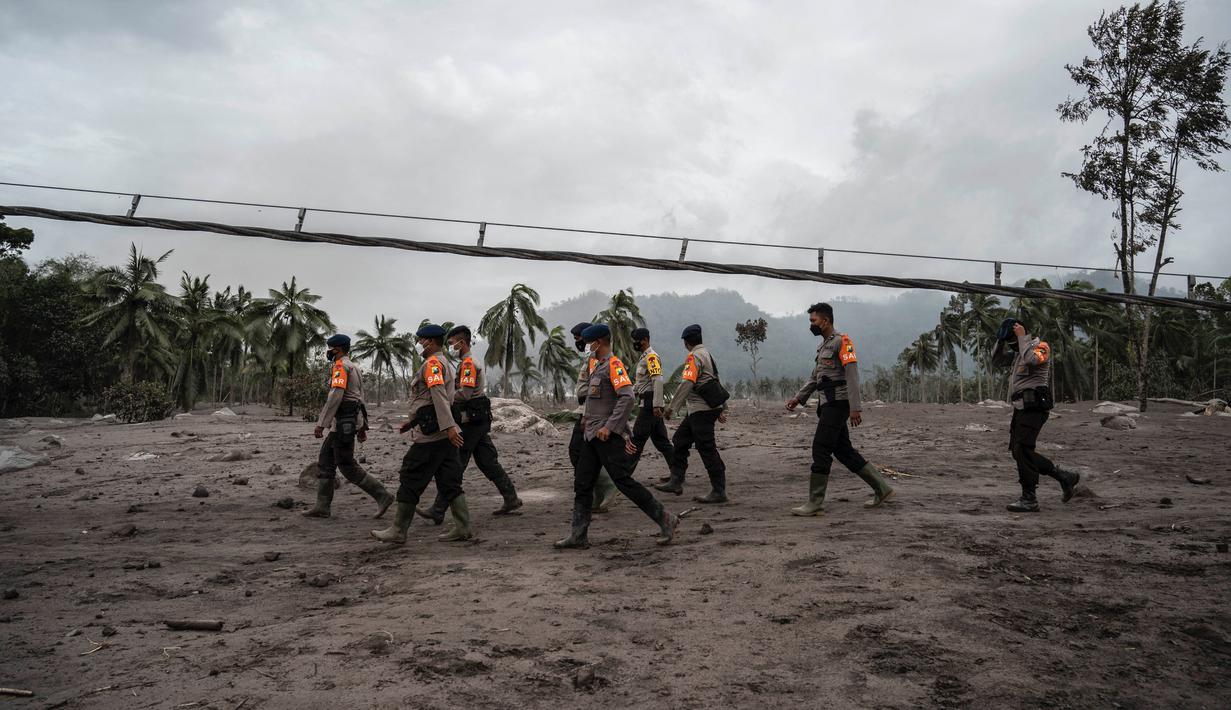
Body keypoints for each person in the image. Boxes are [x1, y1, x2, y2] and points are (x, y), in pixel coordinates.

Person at [554, 324, 678, 549]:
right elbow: (595, 399)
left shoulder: (614, 365)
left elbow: (627, 397)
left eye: (589, 342)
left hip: (606, 437)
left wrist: (610, 427)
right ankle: (578, 535)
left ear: (598, 343)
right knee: (582, 484)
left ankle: (665, 518)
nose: (587, 347)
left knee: (623, 481)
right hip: (591, 435)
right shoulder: (598, 366)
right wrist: (586, 420)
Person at [785, 303, 893, 515]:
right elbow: (815, 377)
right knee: (843, 451)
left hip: (839, 403)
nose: (811, 325)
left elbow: (852, 375)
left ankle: (815, 502)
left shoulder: (843, 342)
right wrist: (799, 398)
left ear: (825, 320)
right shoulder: (823, 346)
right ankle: (882, 488)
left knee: (821, 448)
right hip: (827, 403)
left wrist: (855, 408)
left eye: (813, 321)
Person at [416, 325, 523, 539]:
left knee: (456, 463)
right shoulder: (467, 363)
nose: (450, 346)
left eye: (452, 342)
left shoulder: (467, 365)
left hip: (471, 420)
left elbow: (464, 394)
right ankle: (511, 498)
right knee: (487, 461)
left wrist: (444, 397)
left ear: (462, 343)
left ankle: (438, 510)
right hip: (476, 420)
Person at [371, 324, 470, 544]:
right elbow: (428, 399)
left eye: (421, 340)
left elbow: (438, 396)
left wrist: (449, 426)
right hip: (442, 432)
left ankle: (398, 530)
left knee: (411, 475)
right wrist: (413, 421)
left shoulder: (433, 363)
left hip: (433, 436)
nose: (419, 344)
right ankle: (463, 527)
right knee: (449, 481)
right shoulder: (445, 362)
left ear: (431, 342)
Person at [992, 318, 1080, 512]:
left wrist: (1022, 337)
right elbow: (996, 361)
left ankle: (1029, 498)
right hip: (1021, 408)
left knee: (1022, 449)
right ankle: (1064, 477)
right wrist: (1000, 340)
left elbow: (1032, 359)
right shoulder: (1018, 354)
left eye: (1013, 341)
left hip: (1035, 408)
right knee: (1019, 451)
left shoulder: (1041, 347)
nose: (1013, 345)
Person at [304, 334, 395, 519]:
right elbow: (360, 400)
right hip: (348, 422)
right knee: (326, 461)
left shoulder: (341, 367)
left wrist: (322, 423)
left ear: (336, 349)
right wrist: (362, 426)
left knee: (346, 465)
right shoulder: (354, 367)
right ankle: (322, 506)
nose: (327, 352)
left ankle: (382, 495)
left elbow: (335, 396)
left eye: (329, 348)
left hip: (342, 423)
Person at [656, 324, 728, 504]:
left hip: (701, 410)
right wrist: (722, 407)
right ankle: (676, 480)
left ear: (686, 342)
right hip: (703, 409)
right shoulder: (707, 354)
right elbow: (716, 380)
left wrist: (671, 408)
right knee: (680, 440)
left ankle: (719, 491)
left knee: (707, 448)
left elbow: (687, 383)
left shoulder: (694, 357)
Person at [568, 322, 620, 513]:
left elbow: (594, 389)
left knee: (577, 452)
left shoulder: (596, 359)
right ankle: (598, 494)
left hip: (590, 413)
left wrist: (586, 416)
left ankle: (606, 485)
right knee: (589, 455)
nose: (579, 343)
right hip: (587, 411)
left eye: (579, 339)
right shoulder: (590, 357)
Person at [627, 327, 675, 476]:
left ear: (645, 340)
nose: (635, 343)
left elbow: (658, 380)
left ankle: (624, 474)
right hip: (647, 401)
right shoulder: (644, 357)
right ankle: (677, 473)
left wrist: (656, 405)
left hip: (649, 404)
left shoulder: (651, 357)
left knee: (637, 439)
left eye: (637, 341)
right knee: (662, 442)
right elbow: (642, 383)